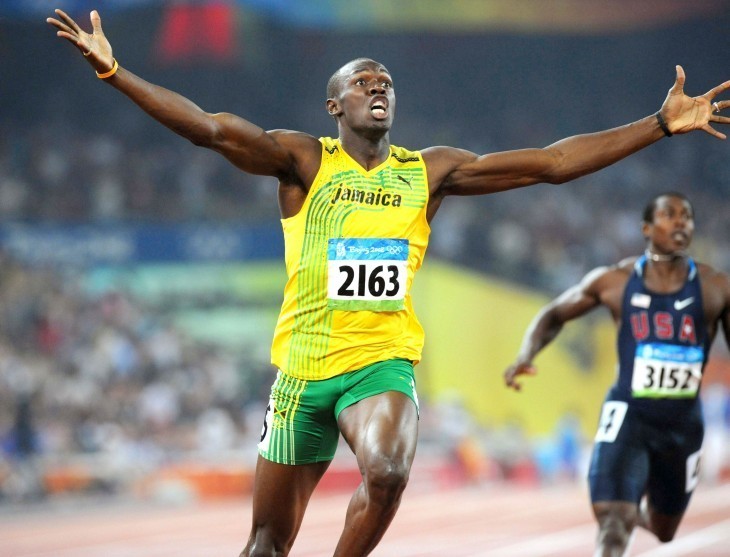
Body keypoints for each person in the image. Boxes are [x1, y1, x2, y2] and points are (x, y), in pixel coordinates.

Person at [47, 8, 729, 556]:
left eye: (388, 83)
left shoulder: (428, 171)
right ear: (334, 105)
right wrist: (117, 74)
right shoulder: (303, 160)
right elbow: (209, 128)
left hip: (380, 363)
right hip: (301, 372)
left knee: (389, 468)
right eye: (364, 81)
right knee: (264, 544)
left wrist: (659, 125)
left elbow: (551, 163)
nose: (380, 87)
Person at [504, 192, 730, 556]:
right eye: (669, 215)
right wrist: (525, 354)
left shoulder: (715, 288)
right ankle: (623, 508)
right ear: (646, 227)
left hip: (682, 423)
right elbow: (554, 314)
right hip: (629, 414)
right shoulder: (615, 281)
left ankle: (640, 507)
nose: (680, 223)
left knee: (664, 529)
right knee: (612, 521)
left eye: (686, 216)